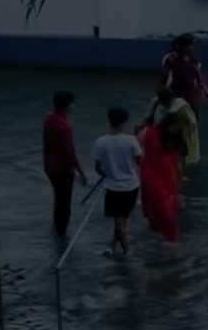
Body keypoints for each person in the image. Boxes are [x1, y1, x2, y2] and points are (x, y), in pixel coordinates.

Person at [93, 108, 143, 256]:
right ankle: (126, 249)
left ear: (109, 120)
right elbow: (140, 161)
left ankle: (114, 245)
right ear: (124, 122)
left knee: (118, 217)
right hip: (130, 186)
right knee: (122, 218)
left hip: (112, 187)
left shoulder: (100, 142)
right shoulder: (131, 140)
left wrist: (107, 173)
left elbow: (98, 168)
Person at [42, 91, 88, 237]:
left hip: (49, 167)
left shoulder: (48, 118)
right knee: (64, 202)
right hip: (62, 170)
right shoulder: (65, 127)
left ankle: (57, 228)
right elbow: (69, 153)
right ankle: (62, 232)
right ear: (66, 106)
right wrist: (80, 171)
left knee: (58, 199)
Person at [137, 108, 183, 242]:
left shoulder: (172, 136)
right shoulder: (151, 133)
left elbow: (176, 158)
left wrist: (179, 175)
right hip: (153, 176)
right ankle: (170, 242)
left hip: (167, 175)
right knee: (166, 212)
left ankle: (164, 238)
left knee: (168, 209)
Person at [148, 87, 200, 167]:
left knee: (182, 157)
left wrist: (185, 135)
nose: (165, 104)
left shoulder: (181, 105)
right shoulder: (159, 104)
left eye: (167, 102)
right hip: (166, 135)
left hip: (180, 135)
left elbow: (192, 122)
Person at [161, 33, 208, 116]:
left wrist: (204, 88)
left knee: (192, 115)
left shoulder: (191, 57)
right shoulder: (171, 57)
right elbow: (169, 76)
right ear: (185, 46)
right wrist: (166, 90)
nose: (193, 47)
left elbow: (197, 72)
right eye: (191, 45)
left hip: (190, 93)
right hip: (177, 92)